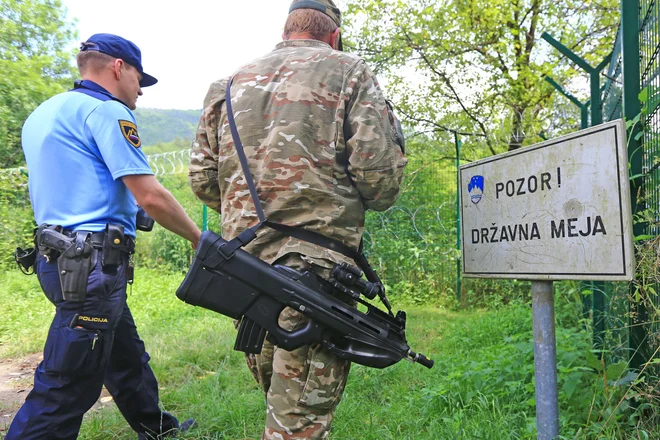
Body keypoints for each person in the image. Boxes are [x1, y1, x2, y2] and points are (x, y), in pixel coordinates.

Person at [189, 1, 407, 438]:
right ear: (333, 35)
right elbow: (380, 182)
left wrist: (253, 216)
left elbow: (201, 179)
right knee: (298, 425)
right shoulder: (349, 71)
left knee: (282, 408)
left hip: (244, 272)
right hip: (316, 273)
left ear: (288, 30)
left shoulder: (227, 85)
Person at [7, 33, 201, 440]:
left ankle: (158, 430)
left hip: (57, 259)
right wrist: (199, 239)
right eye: (138, 80)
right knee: (67, 384)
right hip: (91, 268)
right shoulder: (106, 111)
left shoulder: (44, 112)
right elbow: (150, 195)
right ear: (118, 68)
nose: (140, 93)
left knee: (124, 355)